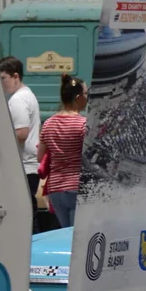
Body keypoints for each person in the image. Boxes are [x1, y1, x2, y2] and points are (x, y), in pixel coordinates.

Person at [37, 74, 89, 227]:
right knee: (76, 237)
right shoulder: (83, 125)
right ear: (79, 98)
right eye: (86, 94)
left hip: (56, 190)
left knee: (65, 234)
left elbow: (40, 157)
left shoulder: (48, 123)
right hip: (76, 186)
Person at [0, 56, 42, 233]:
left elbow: (21, 133)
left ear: (15, 76)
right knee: (29, 212)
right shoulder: (27, 95)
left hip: (24, 166)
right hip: (29, 166)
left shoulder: (17, 100)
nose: (1, 83)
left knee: (25, 216)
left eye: (3, 78)